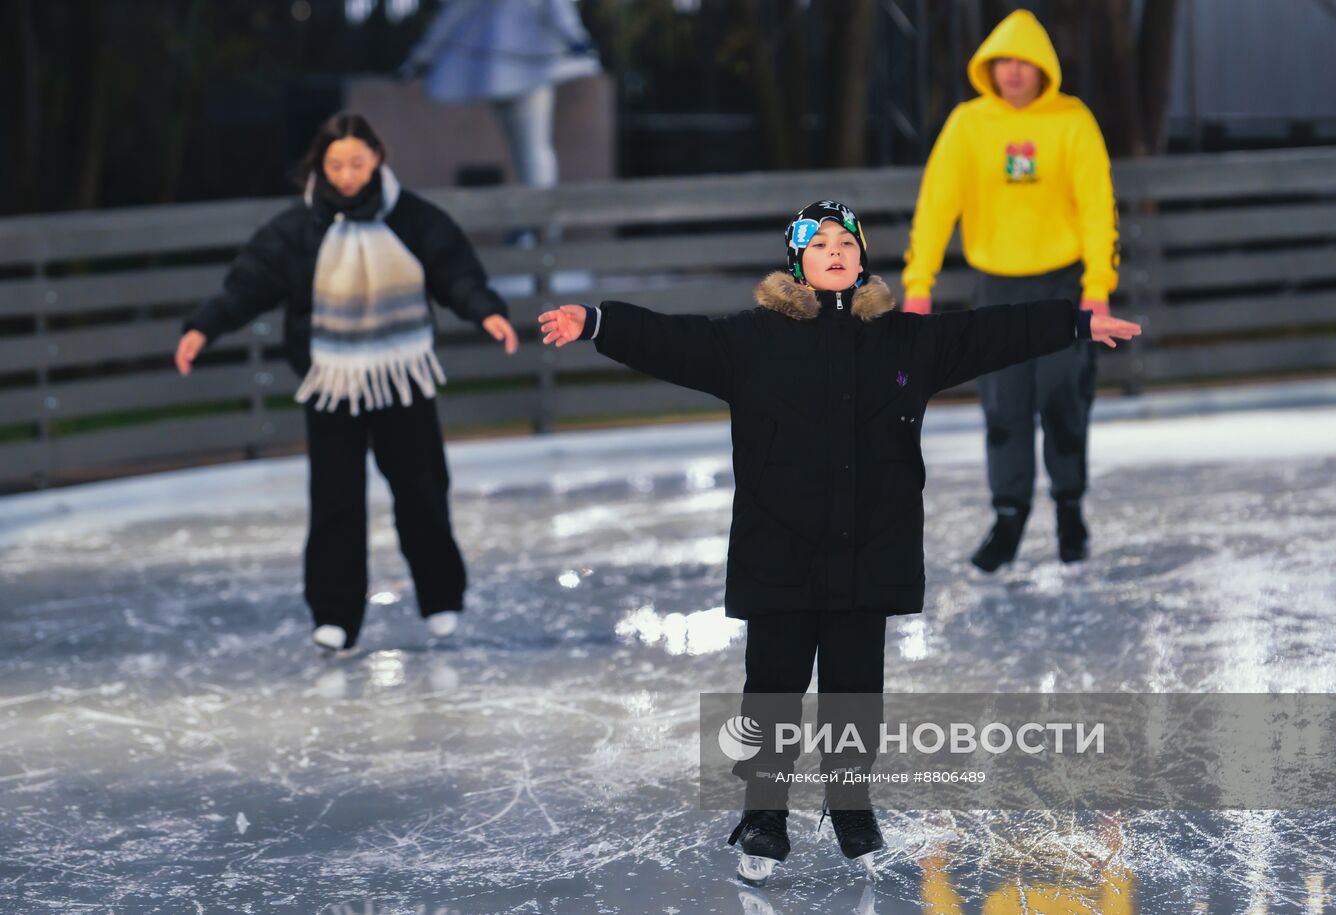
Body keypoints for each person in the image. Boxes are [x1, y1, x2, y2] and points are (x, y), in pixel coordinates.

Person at [538, 200, 1140, 883]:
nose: (833, 252)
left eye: (845, 243)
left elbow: (988, 332)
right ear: (797, 260)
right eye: (818, 243)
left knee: (855, 690)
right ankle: (764, 814)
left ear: (860, 260)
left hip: (866, 550)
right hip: (780, 552)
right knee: (772, 690)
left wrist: (1075, 319)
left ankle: (850, 802)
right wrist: (598, 322)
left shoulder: (901, 340)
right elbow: (672, 340)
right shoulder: (750, 341)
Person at [173, 112, 518, 652]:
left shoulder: (411, 218)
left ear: (378, 157)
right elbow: (249, 283)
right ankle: (334, 613)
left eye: (357, 162)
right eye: (335, 165)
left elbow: (455, 272)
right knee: (335, 500)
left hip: (403, 377)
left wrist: (485, 311)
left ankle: (441, 598)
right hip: (331, 383)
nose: (347, 175)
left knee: (422, 491)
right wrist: (203, 327)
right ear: (320, 166)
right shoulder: (298, 228)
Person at [901, 9, 1120, 573]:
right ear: (989, 69)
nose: (1014, 73)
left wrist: (1098, 287)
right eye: (1004, 64)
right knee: (1005, 406)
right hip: (997, 285)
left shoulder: (1073, 121)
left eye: (1024, 63)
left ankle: (1070, 508)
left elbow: (1098, 207)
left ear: (1044, 67)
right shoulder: (968, 125)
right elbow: (935, 206)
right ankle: (1009, 516)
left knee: (1063, 396)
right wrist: (917, 286)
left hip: (1062, 285)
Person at [399, 0, 601, 243]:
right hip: (502, 66)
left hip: (525, 63)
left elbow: (557, 7)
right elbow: (456, 11)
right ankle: (536, 227)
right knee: (527, 152)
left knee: (532, 151)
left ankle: (542, 228)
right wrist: (422, 56)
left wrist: (575, 37)